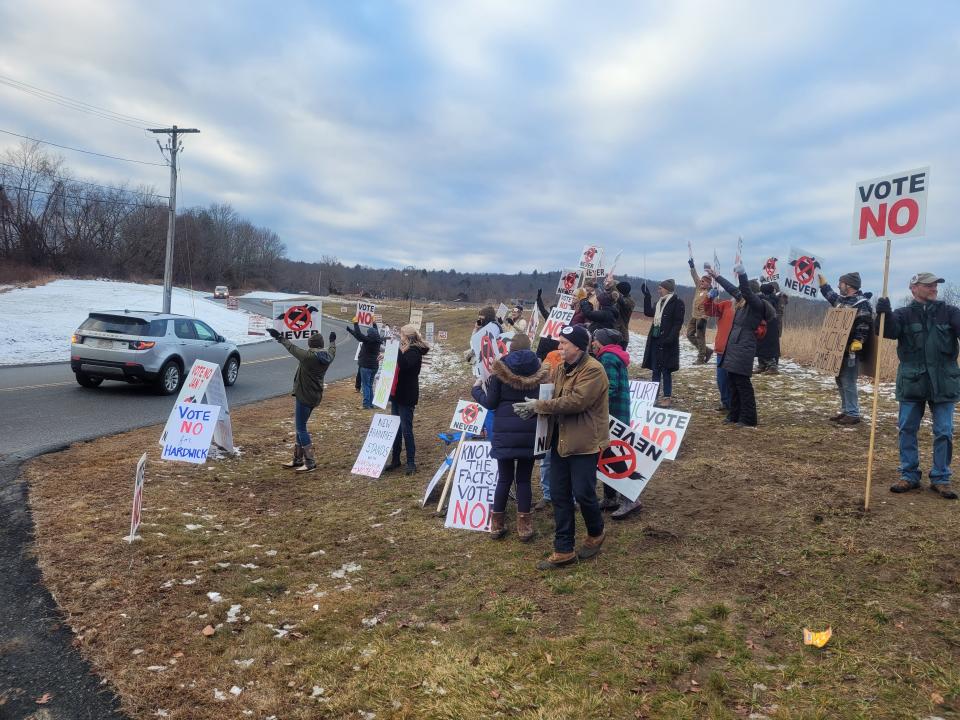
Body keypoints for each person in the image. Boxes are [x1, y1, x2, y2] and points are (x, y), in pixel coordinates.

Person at [513, 324, 610, 569]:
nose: (559, 347)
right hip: (559, 440)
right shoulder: (559, 369)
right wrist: (533, 408)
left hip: (584, 443)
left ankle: (596, 532)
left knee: (583, 493)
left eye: (564, 343)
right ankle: (563, 548)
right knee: (559, 495)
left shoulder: (594, 370)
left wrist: (540, 406)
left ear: (578, 346)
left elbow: (576, 402)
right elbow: (551, 396)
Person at [876, 272, 960, 499]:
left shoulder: (950, 312)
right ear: (914, 288)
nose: (934, 288)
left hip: (944, 381)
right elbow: (887, 332)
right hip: (912, 381)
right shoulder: (903, 314)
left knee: (944, 431)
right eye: (929, 285)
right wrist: (882, 313)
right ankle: (909, 475)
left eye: (935, 284)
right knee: (907, 429)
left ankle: (941, 478)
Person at [471, 332, 548, 541]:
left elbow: (490, 403)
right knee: (523, 480)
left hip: (505, 432)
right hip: (530, 432)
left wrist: (476, 390)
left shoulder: (499, 372)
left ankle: (497, 523)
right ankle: (524, 525)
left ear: (510, 350)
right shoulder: (542, 372)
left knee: (504, 478)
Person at [704, 265, 774, 427]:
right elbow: (732, 289)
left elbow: (744, 290)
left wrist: (742, 274)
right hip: (734, 346)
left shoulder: (756, 304)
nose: (740, 293)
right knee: (732, 381)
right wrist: (717, 276)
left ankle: (748, 418)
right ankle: (734, 415)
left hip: (744, 346)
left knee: (742, 384)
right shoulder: (743, 302)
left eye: (745, 290)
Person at [266, 328, 337, 472]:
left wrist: (279, 336)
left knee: (300, 428)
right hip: (315, 395)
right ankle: (297, 460)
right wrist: (333, 341)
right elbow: (332, 350)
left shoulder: (308, 357)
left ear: (311, 345)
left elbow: (291, 347)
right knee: (301, 426)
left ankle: (310, 462)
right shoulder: (327, 356)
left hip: (304, 395)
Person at [591, 328, 640, 519]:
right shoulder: (610, 356)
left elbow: (610, 387)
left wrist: (591, 401)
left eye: (595, 340)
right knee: (606, 455)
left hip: (613, 415)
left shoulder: (608, 358)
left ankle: (631, 498)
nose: (593, 343)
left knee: (614, 456)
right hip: (616, 414)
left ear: (601, 342)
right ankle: (610, 497)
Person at [817, 272, 874, 425]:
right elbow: (831, 296)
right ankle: (846, 410)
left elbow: (864, 323)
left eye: (840, 283)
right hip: (838, 349)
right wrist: (823, 285)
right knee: (839, 379)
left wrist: (858, 341)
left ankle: (853, 413)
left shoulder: (861, 303)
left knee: (848, 380)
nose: (838, 286)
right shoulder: (843, 301)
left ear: (848, 285)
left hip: (851, 350)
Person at [385, 324, 429, 475]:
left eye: (402, 335)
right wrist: (386, 356)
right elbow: (397, 363)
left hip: (407, 395)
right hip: (397, 394)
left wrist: (395, 349)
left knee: (406, 429)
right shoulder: (406, 349)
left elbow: (404, 365)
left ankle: (411, 462)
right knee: (395, 429)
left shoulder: (414, 351)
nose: (400, 337)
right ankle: (395, 459)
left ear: (408, 336)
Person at [640, 279, 685, 408]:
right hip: (655, 340)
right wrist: (647, 296)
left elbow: (678, 322)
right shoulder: (658, 303)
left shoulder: (677, 302)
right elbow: (648, 312)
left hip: (667, 342)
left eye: (661, 288)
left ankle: (667, 397)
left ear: (667, 289)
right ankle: (653, 396)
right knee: (655, 369)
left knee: (666, 370)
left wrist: (670, 338)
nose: (658, 290)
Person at [534, 344, 564, 512]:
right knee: (545, 460)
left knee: (566, 460)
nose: (561, 347)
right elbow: (542, 373)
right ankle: (547, 495)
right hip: (547, 417)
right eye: (560, 342)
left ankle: (570, 496)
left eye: (565, 342)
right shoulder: (552, 355)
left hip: (566, 419)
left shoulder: (583, 365)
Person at [703, 286, 735, 412]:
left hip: (737, 350)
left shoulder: (748, 308)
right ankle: (725, 402)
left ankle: (734, 404)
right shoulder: (726, 305)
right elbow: (710, 311)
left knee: (734, 379)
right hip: (722, 349)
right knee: (721, 378)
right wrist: (709, 298)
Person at [344, 320, 383, 409]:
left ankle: (366, 405)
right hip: (374, 367)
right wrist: (374, 324)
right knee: (369, 385)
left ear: (369, 334)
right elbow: (361, 335)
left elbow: (359, 334)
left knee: (365, 385)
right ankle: (371, 404)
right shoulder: (378, 340)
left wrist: (355, 323)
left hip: (366, 366)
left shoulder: (368, 340)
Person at [687, 257, 714, 364]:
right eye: (701, 281)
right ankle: (707, 351)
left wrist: (704, 318)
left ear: (708, 284)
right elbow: (695, 276)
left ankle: (701, 358)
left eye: (704, 281)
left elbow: (710, 307)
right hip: (694, 316)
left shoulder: (710, 293)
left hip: (702, 318)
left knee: (700, 337)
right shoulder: (699, 288)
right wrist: (692, 266)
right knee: (689, 335)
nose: (701, 282)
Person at [756, 283, 782, 375]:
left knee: (767, 347)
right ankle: (762, 365)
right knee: (760, 346)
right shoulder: (773, 298)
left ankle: (772, 366)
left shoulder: (772, 300)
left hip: (769, 326)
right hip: (766, 325)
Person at [606, 277, 635, 351]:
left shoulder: (629, 302)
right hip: (613, 332)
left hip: (621, 336)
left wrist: (613, 287)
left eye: (617, 291)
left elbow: (622, 302)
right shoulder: (618, 299)